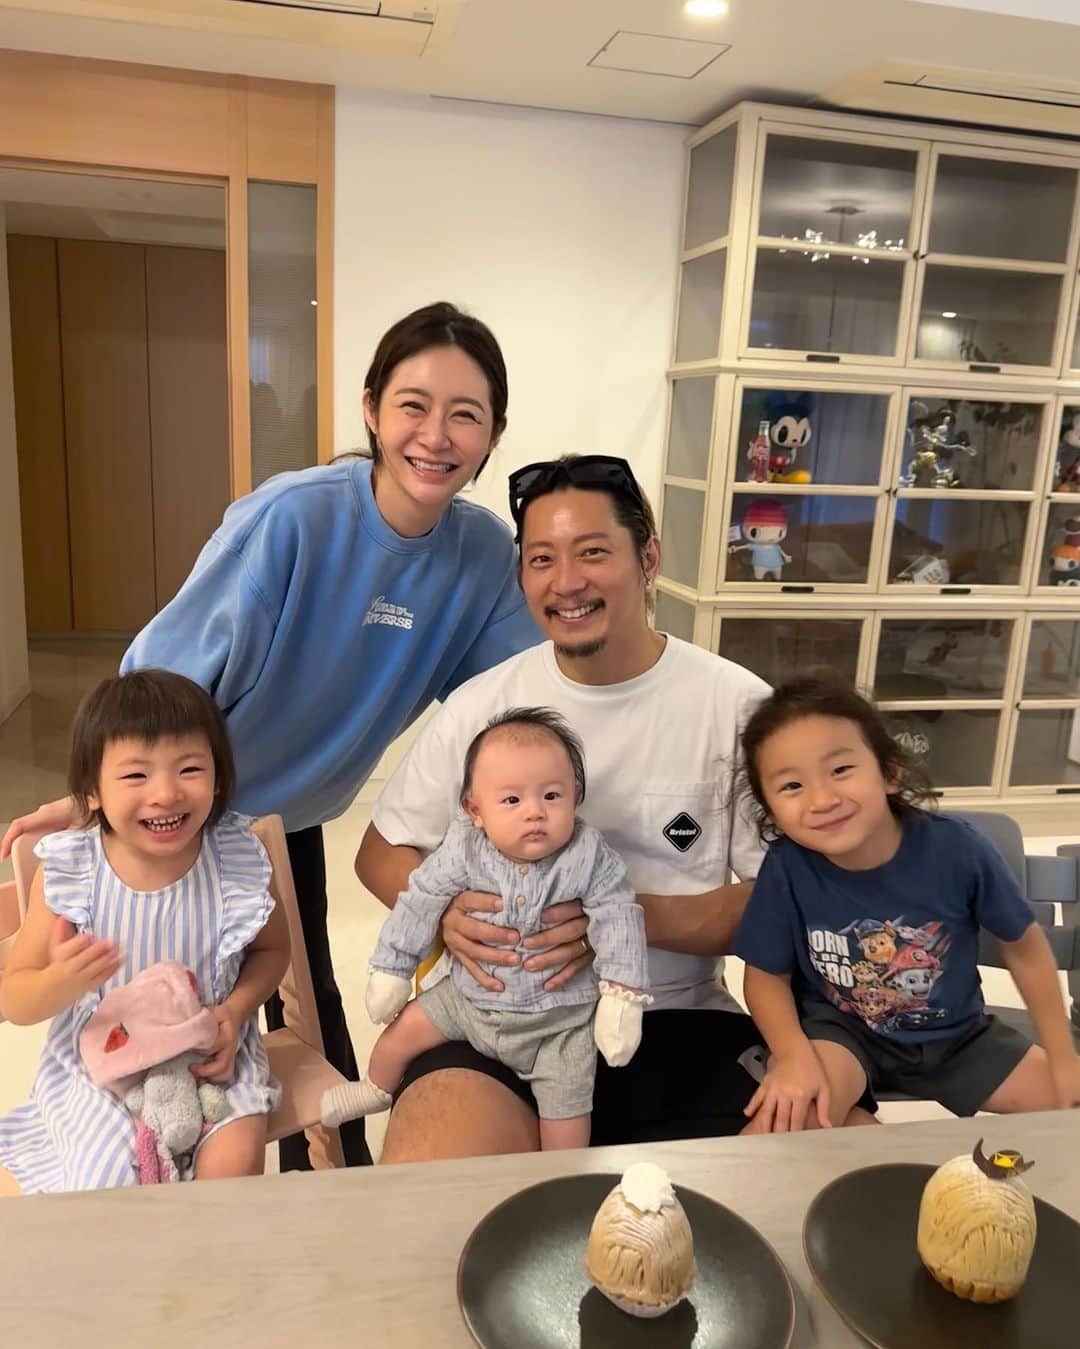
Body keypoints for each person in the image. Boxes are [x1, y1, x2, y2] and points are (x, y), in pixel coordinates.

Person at [1, 302, 541, 1170]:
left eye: (465, 414)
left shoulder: (481, 554)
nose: (436, 435)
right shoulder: (293, 519)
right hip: (190, 802)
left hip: (291, 815)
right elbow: (162, 679)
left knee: (303, 989)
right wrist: (102, 792)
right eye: (413, 405)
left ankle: (327, 1172)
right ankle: (127, 1149)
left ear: (493, 435)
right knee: (155, 979)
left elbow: (521, 696)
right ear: (371, 410)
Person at [356, 454, 775, 1163]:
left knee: (822, 1153)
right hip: (496, 1018)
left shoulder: (736, 706)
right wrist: (448, 913)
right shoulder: (485, 705)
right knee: (430, 1183)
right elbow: (379, 851)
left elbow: (787, 898)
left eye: (593, 552)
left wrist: (611, 922)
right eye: (541, 559)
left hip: (673, 1014)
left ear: (648, 559)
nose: (567, 581)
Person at [734, 676, 1080, 1134]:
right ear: (770, 811)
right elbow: (765, 977)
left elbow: (1025, 948)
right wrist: (793, 1055)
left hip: (958, 1039)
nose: (822, 800)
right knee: (786, 1121)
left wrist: (1063, 1056)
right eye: (792, 785)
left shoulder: (958, 850)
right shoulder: (787, 866)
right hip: (841, 1035)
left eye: (841, 770)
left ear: (890, 772)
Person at [0, 670, 289, 1194]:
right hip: (100, 1065)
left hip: (210, 1056)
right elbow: (13, 998)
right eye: (136, 775)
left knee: (232, 1176)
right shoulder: (73, 870)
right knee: (102, 1184)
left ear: (218, 777)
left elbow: (273, 952)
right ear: (91, 790)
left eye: (190, 768)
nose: (166, 794)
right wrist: (59, 983)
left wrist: (236, 1010)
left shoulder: (238, 859)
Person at [321, 708, 650, 1150]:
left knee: (569, 1115)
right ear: (474, 810)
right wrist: (393, 968)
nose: (535, 813)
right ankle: (375, 1088)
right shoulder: (465, 849)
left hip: (559, 1025)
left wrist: (622, 995)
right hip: (468, 1002)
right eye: (512, 800)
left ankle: (561, 1169)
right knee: (402, 1032)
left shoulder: (588, 854)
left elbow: (619, 916)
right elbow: (421, 900)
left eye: (552, 796)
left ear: (577, 796)